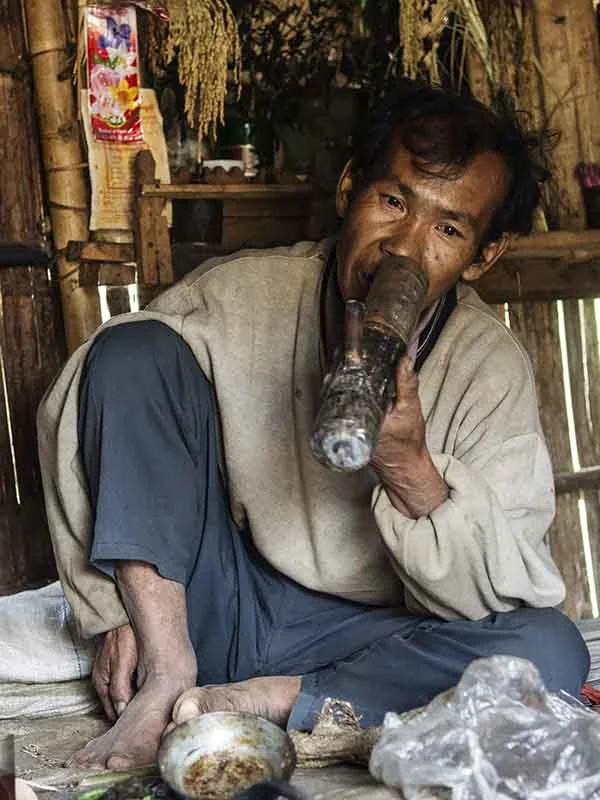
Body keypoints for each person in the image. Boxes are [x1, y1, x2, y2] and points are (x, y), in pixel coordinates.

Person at [37, 80, 589, 769]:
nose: (405, 249)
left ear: (484, 255)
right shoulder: (244, 292)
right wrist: (115, 612)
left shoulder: (490, 368)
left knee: (549, 652)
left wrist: (411, 469)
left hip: (375, 641)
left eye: (448, 230)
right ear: (349, 190)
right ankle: (169, 679)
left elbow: (505, 591)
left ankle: (282, 699)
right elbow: (91, 404)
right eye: (393, 202)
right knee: (132, 350)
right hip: (222, 611)